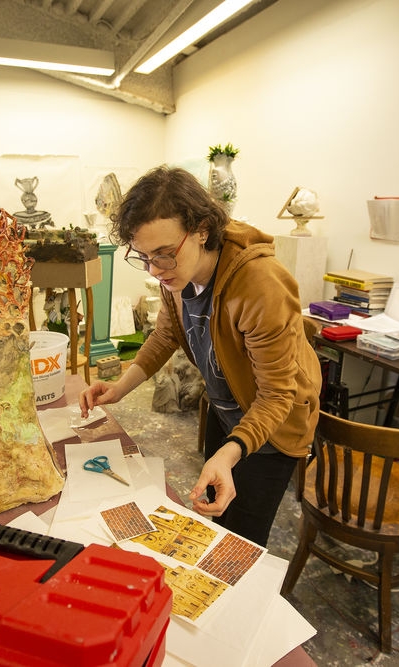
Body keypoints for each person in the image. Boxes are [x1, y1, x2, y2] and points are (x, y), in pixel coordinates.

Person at [78, 166, 321, 547]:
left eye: (163, 255)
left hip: (274, 423)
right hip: (228, 406)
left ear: (203, 229)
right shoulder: (176, 274)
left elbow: (276, 395)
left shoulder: (259, 284)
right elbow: (166, 334)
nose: (155, 270)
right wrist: (119, 388)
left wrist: (230, 453)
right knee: (214, 519)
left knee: (240, 541)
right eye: (143, 257)